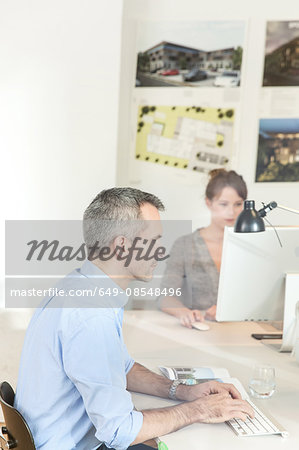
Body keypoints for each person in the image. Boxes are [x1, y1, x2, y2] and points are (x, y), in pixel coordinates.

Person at [15, 187, 253, 450]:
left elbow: (122, 366)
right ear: (121, 246)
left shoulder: (84, 286)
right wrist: (197, 411)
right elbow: (118, 431)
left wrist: (183, 391)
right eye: (155, 241)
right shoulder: (91, 316)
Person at [159, 169, 247, 328]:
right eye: (223, 204)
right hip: (199, 331)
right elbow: (165, 297)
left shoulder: (249, 247)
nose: (231, 212)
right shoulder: (185, 245)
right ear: (209, 203)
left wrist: (228, 311)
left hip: (241, 331)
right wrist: (184, 312)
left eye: (238, 204)